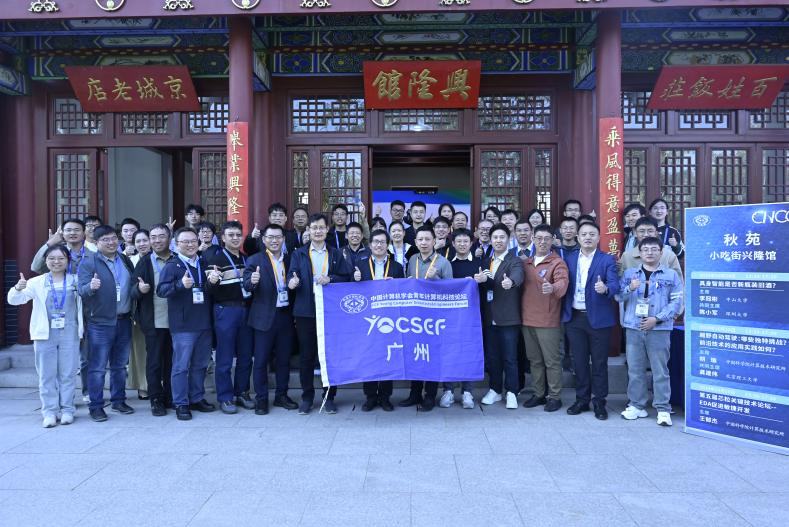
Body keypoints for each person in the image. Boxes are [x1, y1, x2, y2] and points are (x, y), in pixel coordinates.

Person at [8, 246, 83, 428]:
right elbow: (14, 300)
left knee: (68, 374)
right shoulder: (36, 282)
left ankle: (67, 410)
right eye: (52, 258)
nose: (56, 262)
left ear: (68, 260)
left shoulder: (76, 280)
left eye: (61, 258)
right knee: (46, 375)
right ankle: (49, 411)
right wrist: (17, 288)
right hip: (44, 334)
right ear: (45, 261)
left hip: (70, 333)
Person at [288, 213, 352, 415]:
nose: (317, 231)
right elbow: (291, 275)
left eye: (321, 227)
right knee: (306, 356)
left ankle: (329, 397)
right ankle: (307, 397)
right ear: (308, 230)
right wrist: (292, 282)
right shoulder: (299, 254)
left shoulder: (335, 254)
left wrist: (330, 279)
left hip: (330, 312)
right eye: (314, 227)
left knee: (330, 356)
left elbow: (346, 278)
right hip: (305, 312)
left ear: (327, 230)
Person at [617, 237, 684, 426]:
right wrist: (630, 288)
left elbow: (677, 301)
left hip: (659, 328)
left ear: (661, 252)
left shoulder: (671, 275)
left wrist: (657, 318)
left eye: (654, 249)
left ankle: (662, 408)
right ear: (640, 253)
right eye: (645, 249)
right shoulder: (630, 273)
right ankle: (637, 405)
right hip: (634, 326)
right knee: (635, 369)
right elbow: (618, 296)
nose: (649, 252)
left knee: (660, 370)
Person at [562, 222, 620, 420]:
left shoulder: (607, 259)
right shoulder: (569, 259)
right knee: (579, 362)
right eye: (584, 234)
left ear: (598, 237)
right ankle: (582, 399)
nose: (587, 237)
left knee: (599, 363)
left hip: (599, 319)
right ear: (578, 237)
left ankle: (599, 402)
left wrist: (606, 289)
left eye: (592, 234)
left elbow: (615, 284)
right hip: (575, 318)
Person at [77, 225, 136, 422]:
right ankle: (96, 406)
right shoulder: (89, 262)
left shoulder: (124, 259)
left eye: (113, 238)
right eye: (105, 240)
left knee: (120, 366)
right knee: (98, 367)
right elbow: (81, 291)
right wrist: (91, 287)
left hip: (124, 319)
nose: (111, 242)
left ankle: (118, 400)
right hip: (100, 323)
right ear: (96, 243)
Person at [31, 218, 92, 403]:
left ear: (84, 232)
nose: (72, 233)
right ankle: (62, 399)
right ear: (62, 233)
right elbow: (35, 267)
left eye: (76, 230)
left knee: (85, 356)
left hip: (88, 309)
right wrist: (50, 243)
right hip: (61, 311)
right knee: (58, 360)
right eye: (68, 230)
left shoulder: (92, 253)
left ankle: (86, 393)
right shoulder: (56, 254)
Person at [157, 227, 216, 421]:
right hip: (183, 325)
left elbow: (206, 289)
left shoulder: (203, 262)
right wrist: (180, 285)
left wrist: (213, 282)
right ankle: (181, 403)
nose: (190, 245)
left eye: (193, 241)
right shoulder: (172, 265)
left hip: (204, 322)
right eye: (185, 242)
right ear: (176, 244)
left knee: (200, 364)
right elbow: (161, 291)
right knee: (181, 366)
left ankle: (196, 397)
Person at [242, 224, 300, 415]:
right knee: (261, 361)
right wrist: (252, 281)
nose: (274, 240)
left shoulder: (290, 259)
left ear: (283, 239)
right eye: (270, 237)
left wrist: (295, 284)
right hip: (263, 317)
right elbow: (247, 285)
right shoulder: (254, 260)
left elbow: (296, 285)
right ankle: (261, 399)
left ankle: (281, 396)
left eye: (278, 237)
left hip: (285, 316)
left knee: (284, 360)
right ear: (264, 239)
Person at [204, 220, 255, 414]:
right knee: (224, 358)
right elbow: (209, 289)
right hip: (225, 311)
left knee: (245, 356)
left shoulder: (247, 259)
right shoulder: (216, 260)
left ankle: (242, 392)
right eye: (230, 235)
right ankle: (225, 398)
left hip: (246, 310)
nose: (235, 238)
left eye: (238, 235)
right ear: (223, 238)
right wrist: (213, 281)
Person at [401, 225, 453, 411]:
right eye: (420, 239)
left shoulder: (443, 263)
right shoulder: (412, 259)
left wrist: (436, 280)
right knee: (415, 355)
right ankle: (414, 394)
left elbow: (450, 292)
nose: (424, 242)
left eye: (427, 239)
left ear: (434, 241)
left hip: (434, 319)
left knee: (432, 357)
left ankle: (430, 396)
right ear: (415, 242)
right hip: (415, 318)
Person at [353, 229, 405, 412]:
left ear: (387, 245)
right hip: (367, 319)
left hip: (389, 320)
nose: (379, 245)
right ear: (370, 245)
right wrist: (354, 278)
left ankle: (385, 397)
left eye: (383, 242)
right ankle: (370, 396)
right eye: (375, 241)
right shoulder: (360, 264)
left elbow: (404, 292)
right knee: (369, 357)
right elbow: (351, 290)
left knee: (387, 357)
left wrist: (395, 285)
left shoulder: (397, 267)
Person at [475, 223, 525, 409]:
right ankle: (495, 390)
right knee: (493, 357)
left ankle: (512, 391)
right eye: (495, 237)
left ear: (508, 239)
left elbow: (518, 275)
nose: (498, 240)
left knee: (510, 358)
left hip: (508, 317)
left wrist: (510, 282)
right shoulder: (486, 261)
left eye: (502, 237)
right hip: (489, 318)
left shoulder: (514, 260)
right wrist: (480, 280)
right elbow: (485, 284)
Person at [521, 225, 569, 412]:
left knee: (552, 361)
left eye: (546, 238)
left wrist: (553, 287)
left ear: (553, 240)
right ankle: (539, 394)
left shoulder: (557, 263)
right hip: (527, 319)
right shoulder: (526, 263)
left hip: (548, 321)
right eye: (539, 238)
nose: (542, 242)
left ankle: (555, 397)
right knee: (535, 361)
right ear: (533, 239)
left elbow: (562, 282)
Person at [131, 224, 174, 416]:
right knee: (155, 362)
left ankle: (171, 396)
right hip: (154, 321)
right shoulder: (145, 262)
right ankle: (155, 398)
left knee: (173, 361)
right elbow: (132, 290)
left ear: (169, 238)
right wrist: (140, 290)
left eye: (161, 236)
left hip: (177, 321)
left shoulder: (177, 259)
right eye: (153, 237)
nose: (157, 240)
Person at [442, 228, 481, 409]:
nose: (462, 244)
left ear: (471, 243)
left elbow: (489, 284)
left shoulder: (480, 264)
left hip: (472, 317)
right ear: (453, 244)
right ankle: (448, 391)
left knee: (469, 353)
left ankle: (467, 392)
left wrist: (481, 280)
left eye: (466, 241)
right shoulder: (448, 264)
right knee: (449, 353)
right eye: (459, 241)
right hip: (450, 317)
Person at [619, 217, 683, 280]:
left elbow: (678, 282)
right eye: (642, 231)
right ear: (635, 233)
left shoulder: (669, 256)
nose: (646, 234)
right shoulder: (627, 256)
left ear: (656, 233)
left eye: (650, 231)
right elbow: (620, 281)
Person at [127, 229, 150, 401]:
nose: (142, 244)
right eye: (138, 241)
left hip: (160, 311)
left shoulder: (161, 258)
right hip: (138, 311)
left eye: (145, 240)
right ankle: (143, 386)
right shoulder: (130, 261)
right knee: (140, 351)